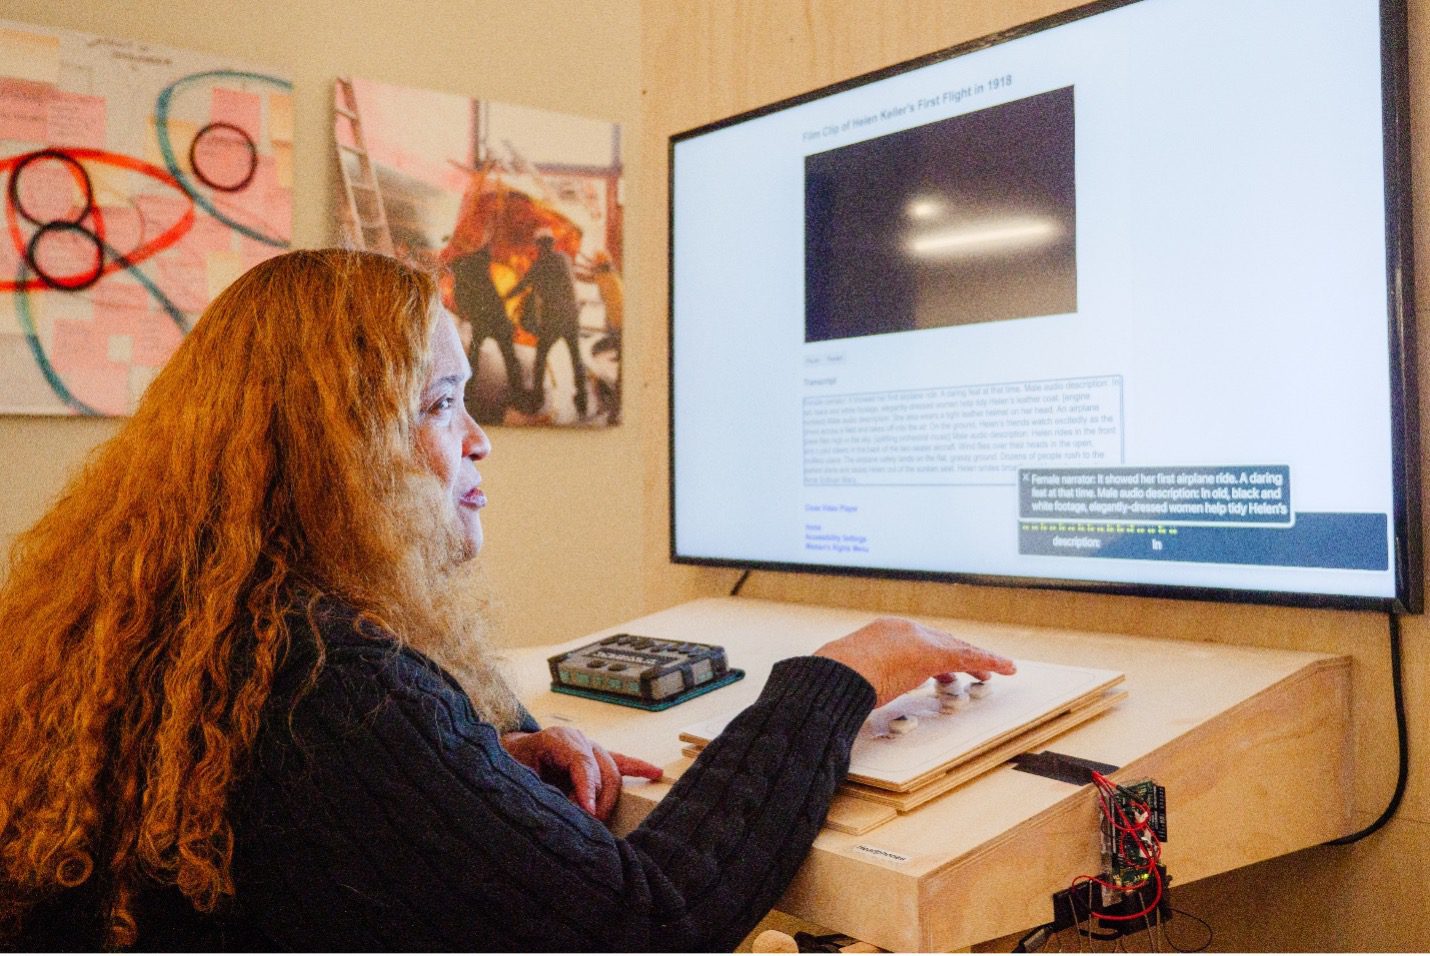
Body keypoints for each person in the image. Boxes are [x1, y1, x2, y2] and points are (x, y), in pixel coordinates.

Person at [0, 249, 1014, 950]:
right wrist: (841, 675)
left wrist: (470, 778)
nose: (480, 439)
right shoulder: (333, 688)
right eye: (441, 403)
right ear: (329, 454)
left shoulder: (188, 632)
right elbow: (650, 923)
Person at [506, 228, 588, 419]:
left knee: (541, 358)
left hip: (553, 319)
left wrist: (504, 296)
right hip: (572, 317)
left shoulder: (540, 264)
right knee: (576, 358)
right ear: (552, 243)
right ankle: (582, 399)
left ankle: (536, 399)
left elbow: (523, 285)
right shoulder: (564, 259)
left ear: (540, 246)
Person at [448, 244, 524, 421]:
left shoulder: (463, 274)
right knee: (508, 355)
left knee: (475, 358)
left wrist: (465, 314)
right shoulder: (478, 266)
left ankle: (467, 395)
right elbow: (485, 252)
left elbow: (460, 303)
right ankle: (517, 395)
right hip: (495, 316)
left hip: (484, 319)